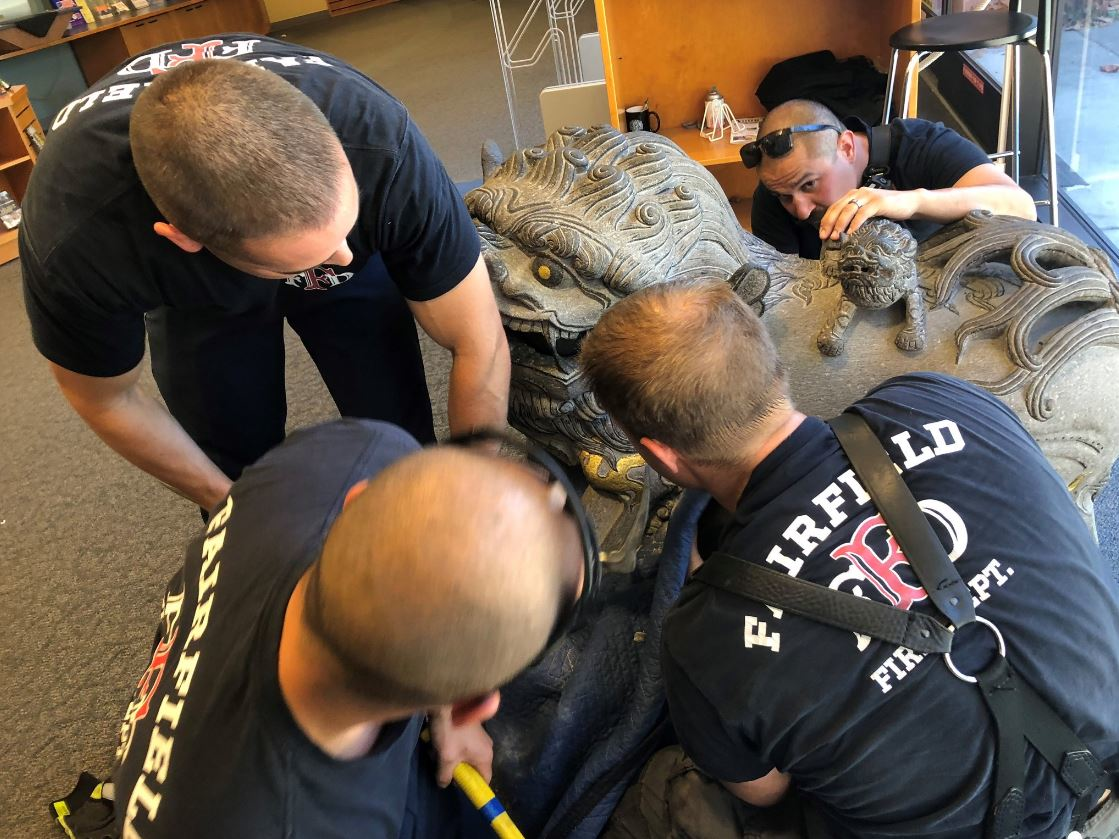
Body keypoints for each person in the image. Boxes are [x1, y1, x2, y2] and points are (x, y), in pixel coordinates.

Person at [580, 278, 1119, 838]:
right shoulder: (937, 399)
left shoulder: (701, 638)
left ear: (660, 454)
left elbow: (765, 790)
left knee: (669, 783)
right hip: (1108, 756)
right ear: (773, 365)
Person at [20, 35, 509, 513]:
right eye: (312, 255)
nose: (342, 256)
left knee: (396, 428)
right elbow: (109, 399)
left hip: (345, 206)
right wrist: (236, 510)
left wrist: (471, 489)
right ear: (185, 238)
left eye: (344, 228)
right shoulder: (77, 239)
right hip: (191, 293)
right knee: (235, 456)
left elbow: (478, 340)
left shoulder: (380, 143)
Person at [79, 418, 587, 838]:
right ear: (471, 703)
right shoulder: (321, 824)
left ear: (357, 498)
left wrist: (449, 717)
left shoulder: (356, 453)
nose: (555, 499)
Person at [747, 99, 1037, 259]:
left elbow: (1022, 207)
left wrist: (913, 202)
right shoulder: (775, 191)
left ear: (846, 147)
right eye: (785, 197)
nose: (801, 210)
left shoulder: (921, 145)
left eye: (809, 184)